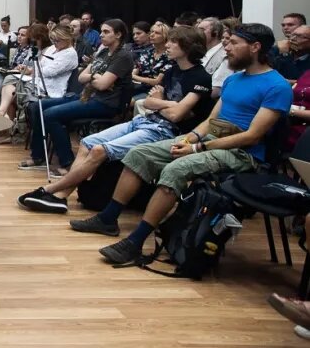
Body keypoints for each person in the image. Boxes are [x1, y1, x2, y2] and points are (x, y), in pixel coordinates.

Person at [70, 23, 293, 265]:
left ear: (255, 47)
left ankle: (135, 241)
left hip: (242, 154)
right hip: (209, 141)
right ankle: (108, 218)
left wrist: (197, 148)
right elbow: (210, 121)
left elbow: (252, 136)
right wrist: (189, 140)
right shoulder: (234, 80)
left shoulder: (276, 86)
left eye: (233, 43)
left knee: (176, 168)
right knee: (139, 154)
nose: (226, 48)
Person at [18, 26, 212, 214]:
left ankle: (50, 190)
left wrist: (160, 102)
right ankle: (61, 197)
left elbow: (176, 115)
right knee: (87, 143)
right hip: (146, 121)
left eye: (173, 42)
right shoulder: (172, 71)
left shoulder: (200, 78)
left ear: (188, 46)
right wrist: (167, 104)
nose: (167, 45)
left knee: (99, 150)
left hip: (167, 131)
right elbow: (149, 102)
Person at [18, 20, 134, 176]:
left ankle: (68, 163)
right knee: (36, 106)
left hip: (105, 103)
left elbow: (103, 85)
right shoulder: (103, 52)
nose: (101, 35)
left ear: (118, 34)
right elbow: (82, 77)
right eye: (101, 31)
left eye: (106, 32)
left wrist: (95, 79)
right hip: (86, 96)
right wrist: (96, 77)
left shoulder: (123, 56)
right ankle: (38, 156)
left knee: (50, 114)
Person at [0, 25, 78, 120]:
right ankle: (2, 113)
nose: (54, 43)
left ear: (67, 39)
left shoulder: (70, 54)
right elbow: (40, 65)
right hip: (36, 82)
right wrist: (31, 69)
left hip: (48, 89)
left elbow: (49, 71)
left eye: (57, 40)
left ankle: (4, 117)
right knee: (9, 82)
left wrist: (32, 70)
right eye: (53, 40)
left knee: (11, 93)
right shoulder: (52, 48)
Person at [131, 22, 173, 99]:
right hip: (140, 87)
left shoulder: (170, 56)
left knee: (130, 102)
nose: (152, 35)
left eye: (157, 33)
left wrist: (134, 77)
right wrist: (134, 76)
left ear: (165, 36)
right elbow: (135, 71)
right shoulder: (146, 52)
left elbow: (157, 81)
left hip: (157, 90)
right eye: (152, 32)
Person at [198, 16, 231, 98]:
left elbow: (216, 91)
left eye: (202, 30)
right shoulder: (198, 51)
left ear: (215, 33)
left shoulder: (225, 55)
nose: (197, 33)